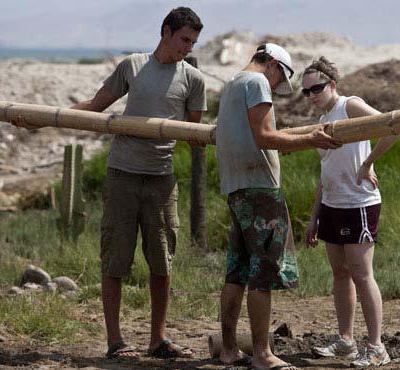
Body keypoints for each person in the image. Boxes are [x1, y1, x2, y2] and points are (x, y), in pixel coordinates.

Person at [71, 7, 206, 359]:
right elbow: (97, 105)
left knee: (162, 261)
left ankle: (157, 339)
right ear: (165, 31)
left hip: (162, 180)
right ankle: (115, 342)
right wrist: (47, 119)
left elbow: (195, 134)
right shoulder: (132, 65)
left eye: (192, 42)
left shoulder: (193, 79)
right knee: (115, 258)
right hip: (122, 175)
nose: (187, 47)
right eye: (184, 39)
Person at [215, 44, 342, 370]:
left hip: (236, 187)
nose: (274, 86)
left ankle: (229, 348)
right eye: (278, 78)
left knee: (237, 271)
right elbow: (265, 136)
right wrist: (309, 140)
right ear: (271, 63)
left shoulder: (231, 84)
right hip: (260, 190)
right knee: (263, 273)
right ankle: (262, 354)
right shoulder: (256, 84)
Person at [302, 57, 397, 368]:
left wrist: (368, 163)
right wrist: (315, 216)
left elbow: (392, 129)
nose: (312, 95)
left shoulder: (349, 105)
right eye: (306, 91)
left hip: (359, 204)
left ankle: (377, 347)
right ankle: (346, 340)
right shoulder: (322, 120)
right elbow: (325, 170)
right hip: (332, 204)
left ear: (332, 85)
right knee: (340, 273)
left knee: (361, 274)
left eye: (317, 88)